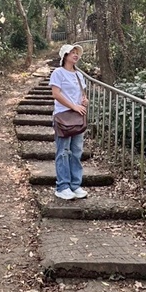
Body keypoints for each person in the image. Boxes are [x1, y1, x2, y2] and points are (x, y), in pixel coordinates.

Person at [50, 43, 89, 200]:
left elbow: (83, 95)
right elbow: (56, 94)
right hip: (63, 116)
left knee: (76, 151)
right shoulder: (58, 73)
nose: (75, 54)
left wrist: (84, 101)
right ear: (65, 55)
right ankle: (62, 186)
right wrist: (73, 105)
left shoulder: (79, 75)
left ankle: (75, 185)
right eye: (72, 52)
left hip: (77, 117)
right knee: (63, 152)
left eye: (76, 52)